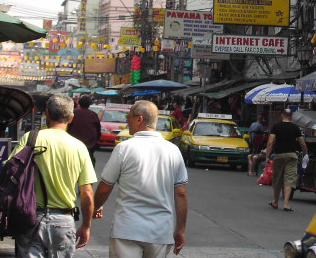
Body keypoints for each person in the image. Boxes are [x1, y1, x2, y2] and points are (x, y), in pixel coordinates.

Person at [93, 100, 188, 257]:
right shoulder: (173, 151)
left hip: (127, 230)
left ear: (139, 119)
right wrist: (180, 229)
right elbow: (181, 193)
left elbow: (105, 188)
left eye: (128, 117)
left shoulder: (124, 148)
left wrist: (94, 208)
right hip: (160, 232)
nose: (126, 121)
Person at [11, 93, 97, 257]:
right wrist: (86, 225)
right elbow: (86, 192)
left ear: (47, 114)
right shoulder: (79, 148)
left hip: (30, 218)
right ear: (71, 118)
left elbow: (9, 170)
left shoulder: (31, 139)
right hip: (63, 222)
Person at [264, 108, 308, 212]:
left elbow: (270, 142)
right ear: (291, 117)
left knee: (277, 179)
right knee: (289, 179)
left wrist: (267, 156)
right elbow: (302, 143)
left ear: (282, 116)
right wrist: (306, 154)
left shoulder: (276, 127)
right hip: (292, 156)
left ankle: (275, 201)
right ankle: (286, 204)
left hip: (279, 155)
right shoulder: (295, 127)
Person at [67, 94, 101, 166]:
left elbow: (68, 127)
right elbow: (98, 129)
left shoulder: (74, 113)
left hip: (74, 143)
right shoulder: (93, 114)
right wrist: (96, 140)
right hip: (90, 143)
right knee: (90, 160)